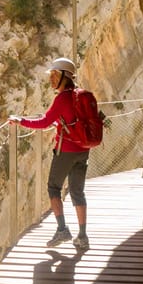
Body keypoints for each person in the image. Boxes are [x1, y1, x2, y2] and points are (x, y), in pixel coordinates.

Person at [9, 57, 91, 250]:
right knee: (77, 192)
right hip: (84, 150)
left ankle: (62, 230)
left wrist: (20, 120)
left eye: (55, 75)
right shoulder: (82, 94)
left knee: (54, 188)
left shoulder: (62, 99)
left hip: (66, 151)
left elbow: (43, 122)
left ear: (65, 76)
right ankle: (82, 236)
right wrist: (61, 123)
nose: (51, 79)